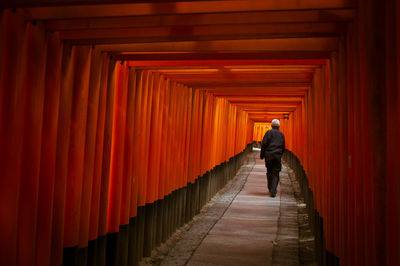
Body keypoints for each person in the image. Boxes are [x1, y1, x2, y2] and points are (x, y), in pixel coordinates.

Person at [260, 119, 285, 197]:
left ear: (271, 125)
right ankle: (273, 190)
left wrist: (262, 155)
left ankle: (270, 187)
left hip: (269, 155)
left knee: (269, 171)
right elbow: (283, 146)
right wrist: (281, 154)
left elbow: (264, 144)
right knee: (276, 172)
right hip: (277, 156)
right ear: (279, 126)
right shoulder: (281, 134)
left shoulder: (268, 133)